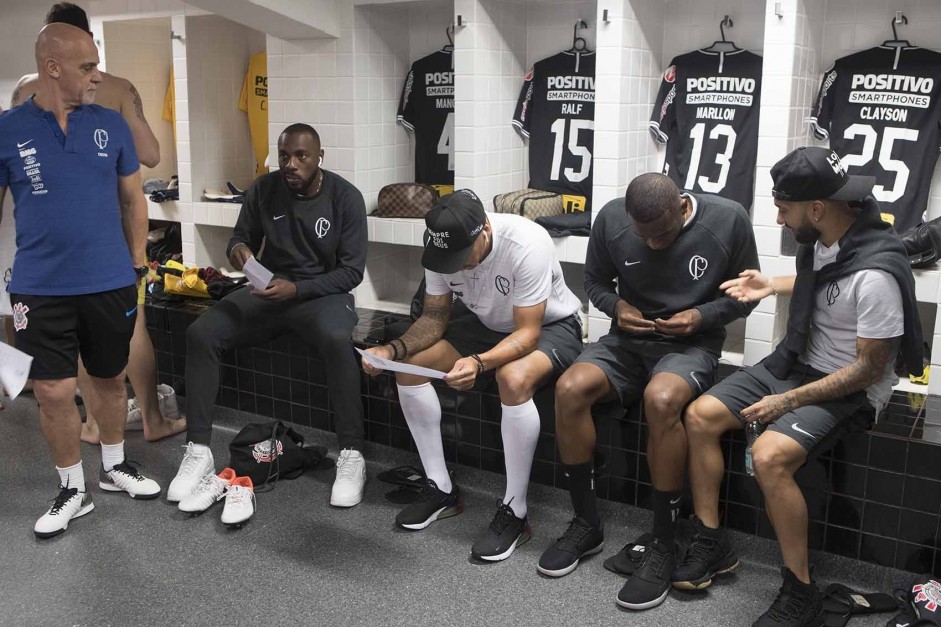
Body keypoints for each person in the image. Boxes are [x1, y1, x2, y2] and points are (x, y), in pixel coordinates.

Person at [679, 147, 923, 627]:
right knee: (699, 416)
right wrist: (771, 283)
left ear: (816, 208)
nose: (778, 218)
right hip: (800, 361)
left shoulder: (876, 276)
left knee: (769, 456)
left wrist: (786, 401)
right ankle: (713, 541)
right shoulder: (829, 237)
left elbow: (867, 370)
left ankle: (800, 590)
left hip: (850, 388)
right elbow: (826, 277)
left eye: (784, 208)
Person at [537, 173, 759, 610]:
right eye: (645, 237)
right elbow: (596, 282)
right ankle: (586, 522)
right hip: (627, 340)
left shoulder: (728, 219)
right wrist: (617, 307)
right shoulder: (610, 219)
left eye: (663, 234)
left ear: (680, 206)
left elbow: (747, 295)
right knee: (569, 387)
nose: (654, 245)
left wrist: (702, 315)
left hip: (691, 343)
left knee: (661, 400)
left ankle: (663, 540)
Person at [0, 23, 162, 538]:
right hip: (39, 285)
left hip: (109, 279)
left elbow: (134, 199)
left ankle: (114, 466)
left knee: (110, 379)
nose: (98, 76)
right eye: (88, 67)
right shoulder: (8, 129)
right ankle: (73, 488)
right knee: (52, 390)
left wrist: (137, 263)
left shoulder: (110, 126)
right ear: (53, 67)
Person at [362, 190, 584, 562]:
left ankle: (516, 512)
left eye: (462, 256)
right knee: (409, 369)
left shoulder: (526, 242)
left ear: (483, 230)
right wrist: (391, 351)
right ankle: (440, 488)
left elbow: (527, 333)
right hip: (486, 325)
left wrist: (480, 363)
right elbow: (433, 318)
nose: (456, 266)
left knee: (510, 379)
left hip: (550, 327)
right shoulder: (439, 247)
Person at [167, 123, 370, 509]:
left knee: (336, 339)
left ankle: (352, 454)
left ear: (319, 157)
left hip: (322, 293)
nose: (291, 164)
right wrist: (240, 252)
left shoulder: (345, 197)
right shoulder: (264, 188)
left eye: (301, 156)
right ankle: (198, 450)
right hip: (269, 292)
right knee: (201, 332)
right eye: (284, 156)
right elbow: (238, 237)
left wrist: (300, 289)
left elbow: (352, 272)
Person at [6, 2, 182, 442]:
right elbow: (153, 153)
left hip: (101, 230)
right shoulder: (119, 88)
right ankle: (147, 421)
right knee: (127, 330)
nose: (94, 73)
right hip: (86, 237)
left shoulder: (25, 90)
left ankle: (97, 425)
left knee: (96, 339)